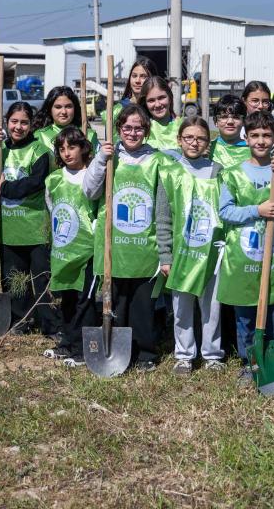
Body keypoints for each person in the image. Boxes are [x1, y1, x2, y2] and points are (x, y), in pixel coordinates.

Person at [82, 105, 173, 371]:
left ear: (146, 130)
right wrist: (100, 159)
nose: (133, 133)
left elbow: (162, 205)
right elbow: (89, 192)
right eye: (127, 128)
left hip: (146, 246)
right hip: (114, 245)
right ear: (119, 129)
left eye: (138, 128)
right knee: (117, 301)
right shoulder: (110, 157)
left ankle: (145, 353)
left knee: (143, 304)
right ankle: (121, 351)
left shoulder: (157, 160)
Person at [218, 110, 274, 385]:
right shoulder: (232, 174)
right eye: (255, 135)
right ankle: (249, 363)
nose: (262, 140)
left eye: (267, 135)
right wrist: (258, 209)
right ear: (246, 137)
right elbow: (226, 212)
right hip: (243, 259)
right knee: (245, 316)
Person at [0, 102, 55, 333]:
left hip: (34, 226)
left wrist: (5, 189)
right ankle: (22, 319)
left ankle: (48, 322)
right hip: (8, 226)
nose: (18, 127)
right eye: (14, 121)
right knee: (14, 278)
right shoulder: (0, 149)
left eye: (24, 122)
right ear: (6, 122)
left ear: (31, 124)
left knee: (41, 277)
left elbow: (34, 183)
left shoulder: (40, 151)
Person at [162, 117, 225, 374]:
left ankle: (212, 354)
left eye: (200, 138)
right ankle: (184, 354)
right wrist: (165, 254)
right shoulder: (170, 173)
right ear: (179, 140)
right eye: (188, 137)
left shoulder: (218, 171)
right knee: (182, 306)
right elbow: (163, 216)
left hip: (211, 251)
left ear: (208, 143)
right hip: (181, 252)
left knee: (211, 305)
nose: (194, 142)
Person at [44, 127, 100, 366]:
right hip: (64, 248)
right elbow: (51, 206)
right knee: (66, 296)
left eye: (72, 147)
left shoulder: (92, 177)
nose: (67, 153)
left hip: (87, 249)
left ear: (83, 148)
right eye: (62, 148)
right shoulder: (54, 179)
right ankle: (67, 342)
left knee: (84, 299)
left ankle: (82, 348)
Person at [34, 86, 98, 154]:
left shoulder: (89, 134)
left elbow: (98, 162)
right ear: (50, 110)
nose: (64, 112)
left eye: (68, 106)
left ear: (75, 109)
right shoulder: (39, 136)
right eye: (58, 107)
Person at [139, 76, 181, 154]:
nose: (157, 104)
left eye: (161, 98)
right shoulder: (140, 129)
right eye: (151, 100)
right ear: (145, 103)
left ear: (170, 97)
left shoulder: (184, 126)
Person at [210, 94, 249, 168]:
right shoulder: (209, 149)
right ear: (216, 122)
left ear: (243, 121)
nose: (230, 122)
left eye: (236, 117)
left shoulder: (251, 149)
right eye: (224, 117)